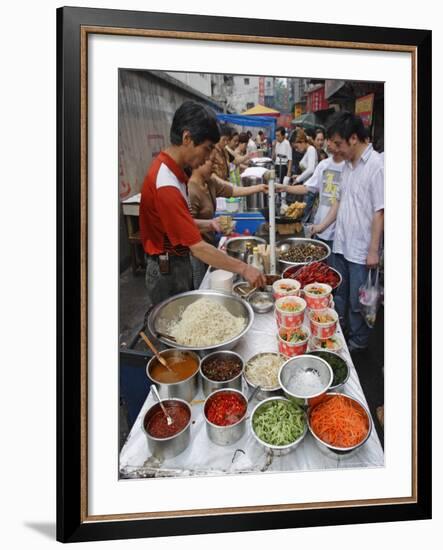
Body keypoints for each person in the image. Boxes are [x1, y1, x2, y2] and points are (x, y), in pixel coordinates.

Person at [139, 101, 266, 308]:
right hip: (167, 270)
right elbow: (197, 248)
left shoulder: (174, 173)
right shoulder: (166, 183)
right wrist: (244, 268)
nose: (208, 158)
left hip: (177, 263)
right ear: (187, 138)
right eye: (207, 149)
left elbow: (177, 223)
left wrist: (208, 224)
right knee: (172, 330)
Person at [318, 111, 384, 352]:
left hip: (361, 249)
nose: (334, 150)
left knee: (360, 301)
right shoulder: (346, 166)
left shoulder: (376, 165)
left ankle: (359, 342)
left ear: (353, 138)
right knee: (341, 293)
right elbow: (339, 201)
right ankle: (343, 333)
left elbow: (380, 211)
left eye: (337, 143)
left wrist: (373, 250)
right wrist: (322, 226)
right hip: (341, 244)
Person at [188, 157, 268, 287]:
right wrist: (211, 224)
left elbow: (232, 191)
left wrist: (259, 188)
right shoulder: (191, 190)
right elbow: (187, 226)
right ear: (198, 161)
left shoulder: (209, 182)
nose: (215, 167)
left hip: (210, 245)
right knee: (202, 284)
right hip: (198, 251)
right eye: (211, 162)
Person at [276, 138, 345, 257]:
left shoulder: (348, 166)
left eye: (331, 139)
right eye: (327, 139)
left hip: (340, 233)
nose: (327, 142)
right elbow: (308, 188)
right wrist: (285, 188)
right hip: (320, 227)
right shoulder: (324, 165)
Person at [289, 128, 318, 215]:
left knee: (304, 216)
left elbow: (311, 169)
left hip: (310, 189)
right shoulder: (308, 151)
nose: (296, 150)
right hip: (306, 188)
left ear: (302, 141)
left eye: (296, 147)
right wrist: (298, 176)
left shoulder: (311, 149)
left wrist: (298, 179)